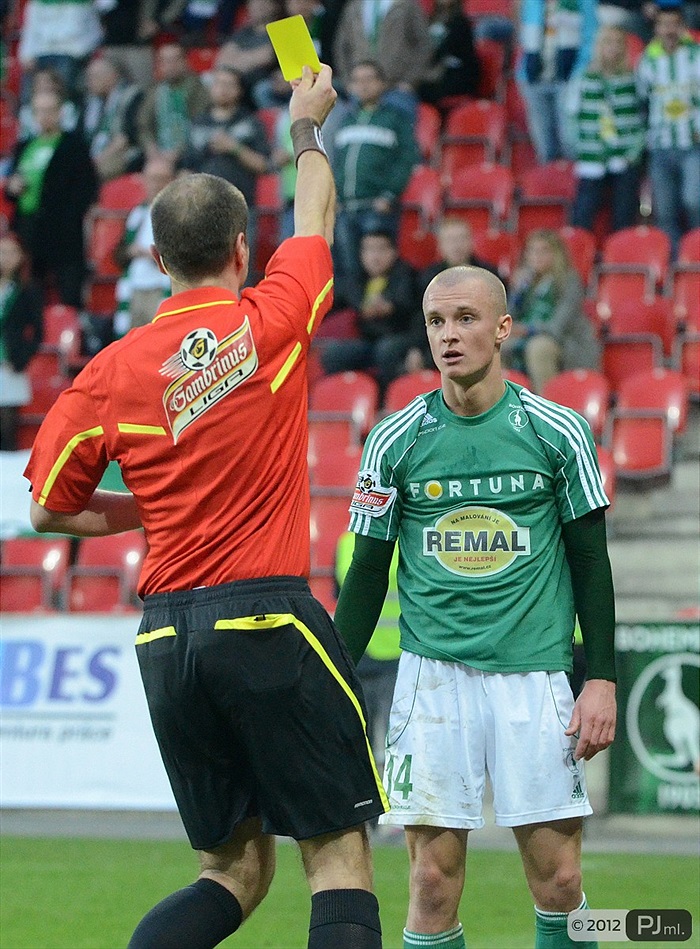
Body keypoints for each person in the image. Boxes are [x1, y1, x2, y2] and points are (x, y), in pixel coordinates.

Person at [24, 64, 386, 949]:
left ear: (154, 260)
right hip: (265, 615)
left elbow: (45, 510)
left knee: (230, 871)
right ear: (239, 249)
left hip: (165, 638)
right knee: (336, 855)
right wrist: (305, 128)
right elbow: (318, 215)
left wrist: (136, 517)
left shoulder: (109, 370)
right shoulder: (271, 316)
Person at [333, 263, 617, 949]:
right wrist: (330, 682)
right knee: (431, 882)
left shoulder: (557, 432)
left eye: (465, 319)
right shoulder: (394, 440)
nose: (449, 335)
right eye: (436, 321)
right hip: (433, 682)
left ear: (502, 327)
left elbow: (590, 563)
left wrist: (602, 676)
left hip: (534, 676)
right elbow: (368, 575)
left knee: (559, 881)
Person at [331, 60, 419, 305]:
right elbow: (338, 163)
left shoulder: (395, 119)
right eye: (357, 80)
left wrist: (390, 194)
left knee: (380, 266)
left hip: (377, 206)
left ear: (382, 84)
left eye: (369, 79)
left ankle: (382, 316)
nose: (363, 85)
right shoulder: (347, 119)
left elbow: (407, 158)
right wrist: (336, 196)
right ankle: (357, 316)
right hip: (346, 207)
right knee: (349, 267)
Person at [5, 88, 98, 308]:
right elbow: (11, 185)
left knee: (68, 293)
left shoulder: (74, 146)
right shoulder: (24, 146)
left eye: (49, 110)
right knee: (30, 293)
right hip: (28, 230)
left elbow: (86, 188)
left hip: (63, 233)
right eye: (39, 111)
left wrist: (69, 218)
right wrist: (13, 187)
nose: (44, 116)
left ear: (60, 113)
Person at [321, 228, 421, 394]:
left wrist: (417, 348)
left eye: (381, 249)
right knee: (334, 353)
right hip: (369, 343)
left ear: (393, 252)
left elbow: (417, 314)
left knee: (386, 350)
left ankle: (389, 402)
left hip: (402, 340)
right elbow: (328, 304)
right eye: (369, 249)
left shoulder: (408, 276)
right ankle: (344, 400)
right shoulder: (356, 279)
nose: (375, 256)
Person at [636, 0, 700, 255]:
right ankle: (673, 263)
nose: (669, 30)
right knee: (665, 209)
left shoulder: (696, 56)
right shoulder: (647, 61)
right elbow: (642, 100)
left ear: (683, 27)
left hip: (692, 144)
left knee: (693, 201)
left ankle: (696, 255)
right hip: (660, 145)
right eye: (664, 25)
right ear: (656, 28)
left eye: (674, 24)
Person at [504, 229, 600, 394]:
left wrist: (526, 329)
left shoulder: (569, 280)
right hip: (530, 335)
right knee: (497, 347)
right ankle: (508, 405)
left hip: (567, 342)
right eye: (532, 251)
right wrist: (517, 292)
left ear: (556, 254)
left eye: (543, 251)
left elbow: (557, 327)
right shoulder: (526, 282)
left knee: (538, 348)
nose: (537, 256)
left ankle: (546, 407)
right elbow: (508, 317)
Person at [570, 25, 646, 233]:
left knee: (624, 213)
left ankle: (621, 257)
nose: (612, 48)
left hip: (625, 156)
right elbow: (570, 116)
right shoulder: (583, 78)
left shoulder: (633, 79)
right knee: (583, 213)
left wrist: (634, 152)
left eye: (617, 43)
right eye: (607, 43)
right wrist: (578, 147)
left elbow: (642, 118)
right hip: (591, 155)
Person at [516, 0, 598, 162]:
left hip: (568, 80)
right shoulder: (532, 3)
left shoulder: (583, 2)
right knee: (544, 145)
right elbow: (525, 37)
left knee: (569, 141)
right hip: (534, 79)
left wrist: (578, 73)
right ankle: (548, 183)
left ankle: (571, 183)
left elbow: (591, 36)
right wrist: (524, 70)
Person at [112, 155, 176, 336]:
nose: (156, 184)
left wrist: (152, 255)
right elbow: (117, 254)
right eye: (152, 179)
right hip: (134, 288)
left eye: (161, 179)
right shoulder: (137, 214)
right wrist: (130, 251)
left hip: (162, 288)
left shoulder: (179, 215)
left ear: (171, 181)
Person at [0, 233, 42, 450]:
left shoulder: (27, 289)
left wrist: (21, 358)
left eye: (10, 252)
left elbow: (37, 333)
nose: (5, 258)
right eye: (2, 252)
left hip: (10, 362)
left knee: (8, 422)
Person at [137, 42, 210, 166]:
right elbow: (144, 125)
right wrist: (151, 150)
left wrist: (177, 152)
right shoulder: (154, 90)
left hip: (190, 152)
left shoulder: (198, 88)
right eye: (164, 61)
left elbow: (200, 123)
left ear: (185, 61)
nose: (170, 66)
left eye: (175, 60)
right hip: (157, 152)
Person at [79, 54, 144, 182]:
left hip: (122, 153)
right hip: (94, 154)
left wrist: (98, 159)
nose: (89, 82)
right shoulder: (90, 103)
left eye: (94, 77)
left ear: (112, 76)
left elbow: (125, 137)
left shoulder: (132, 96)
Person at [418, 0, 480, 106]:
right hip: (439, 70)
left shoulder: (460, 22)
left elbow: (443, 52)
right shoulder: (431, 20)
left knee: (422, 89)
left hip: (460, 75)